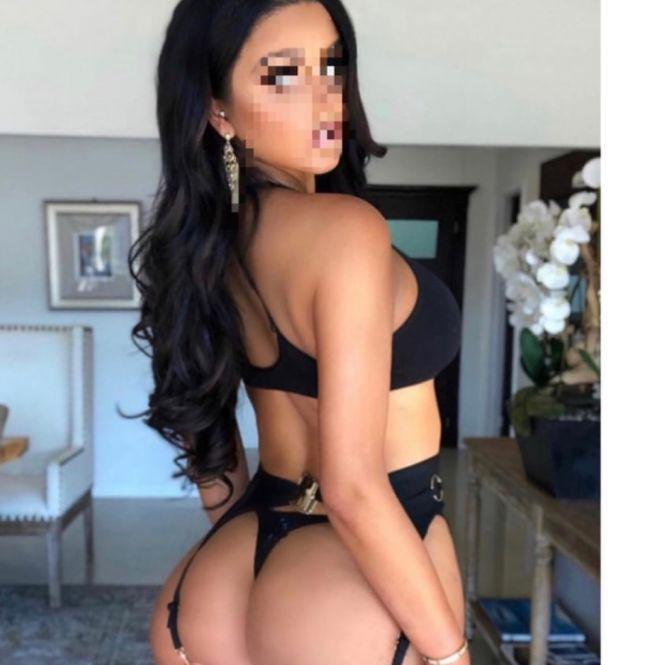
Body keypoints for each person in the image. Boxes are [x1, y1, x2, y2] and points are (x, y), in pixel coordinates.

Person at [127, 1, 468, 663]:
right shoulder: (345, 230)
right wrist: (452, 655)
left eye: (331, 66)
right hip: (359, 566)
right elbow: (351, 488)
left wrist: (260, 568)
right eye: (282, 75)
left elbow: (208, 448)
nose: (324, 97)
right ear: (218, 109)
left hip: (224, 565)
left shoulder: (201, 250)